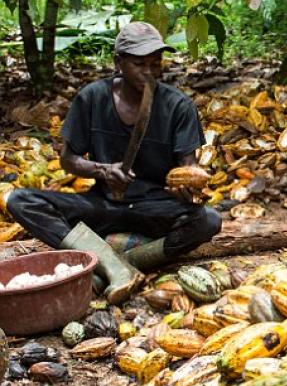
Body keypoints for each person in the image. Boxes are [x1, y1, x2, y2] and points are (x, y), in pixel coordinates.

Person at [7, 22, 222, 304]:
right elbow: (68, 161)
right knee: (21, 201)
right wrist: (103, 170)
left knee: (209, 220)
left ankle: (126, 262)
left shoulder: (178, 105)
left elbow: (187, 169)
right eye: (139, 64)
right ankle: (111, 264)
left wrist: (185, 191)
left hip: (156, 207)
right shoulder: (93, 98)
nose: (149, 71)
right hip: (103, 204)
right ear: (118, 62)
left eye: (155, 63)